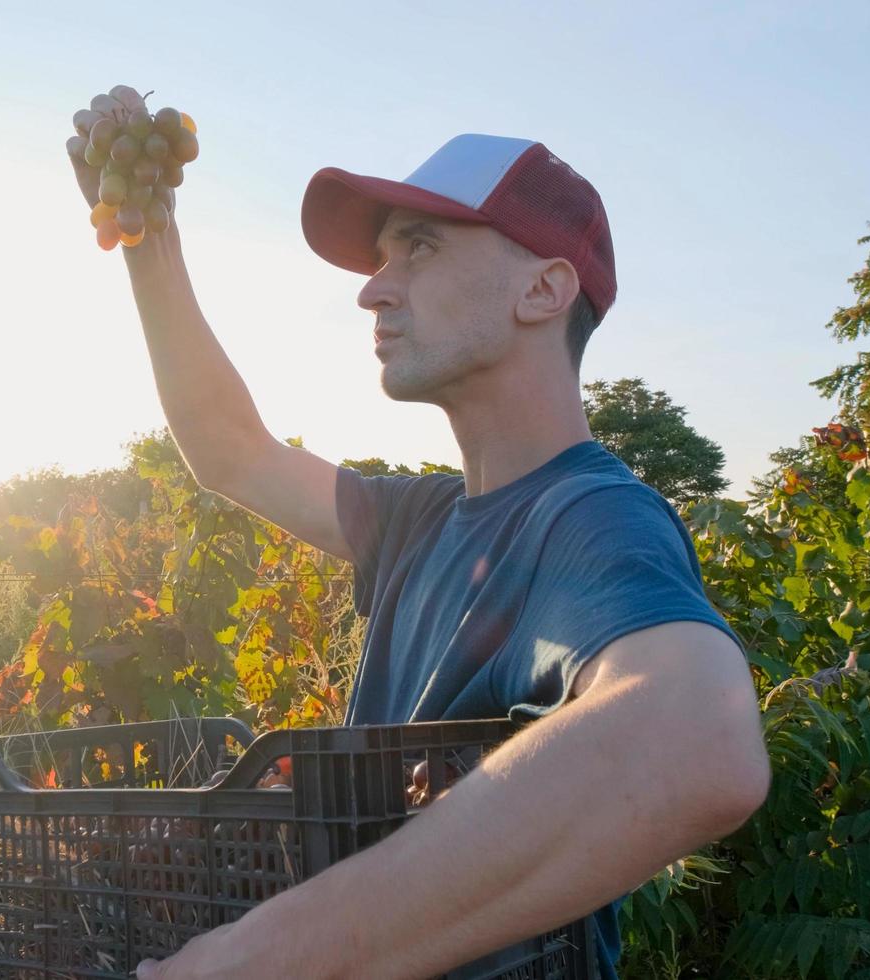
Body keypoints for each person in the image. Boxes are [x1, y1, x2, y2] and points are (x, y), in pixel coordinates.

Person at [71, 129, 771, 979]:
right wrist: (151, 233)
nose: (373, 290)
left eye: (420, 249)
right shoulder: (419, 520)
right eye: (382, 256)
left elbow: (696, 744)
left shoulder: (588, 516)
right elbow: (230, 450)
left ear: (545, 290)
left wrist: (254, 959)